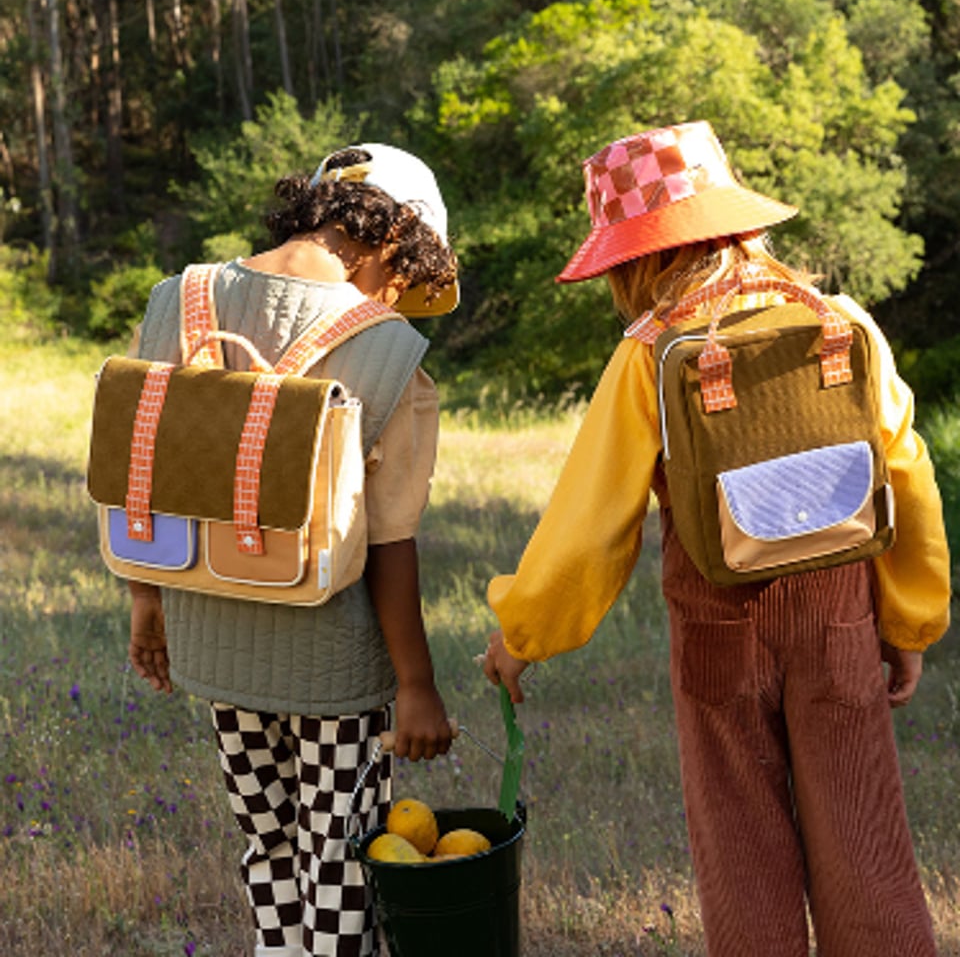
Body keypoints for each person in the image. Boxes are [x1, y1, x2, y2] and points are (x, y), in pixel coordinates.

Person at [482, 120, 951, 956]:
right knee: (864, 830)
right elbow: (906, 473)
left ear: (636, 257)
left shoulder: (652, 353)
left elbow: (592, 525)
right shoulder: (844, 325)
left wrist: (524, 635)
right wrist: (909, 618)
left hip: (717, 620)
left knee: (740, 842)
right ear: (740, 222)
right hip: (841, 612)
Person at [126, 142, 458, 957]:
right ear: (395, 239)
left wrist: (147, 606)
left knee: (266, 844)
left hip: (211, 629)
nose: (394, 299)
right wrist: (415, 687)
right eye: (403, 278)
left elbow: (149, 479)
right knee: (342, 859)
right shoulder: (389, 350)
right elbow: (390, 539)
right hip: (334, 661)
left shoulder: (179, 300)